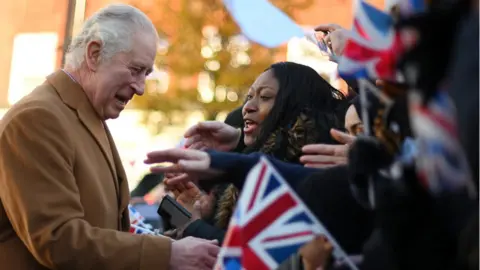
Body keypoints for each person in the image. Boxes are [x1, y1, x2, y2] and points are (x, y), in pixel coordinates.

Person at [0, 4, 218, 270]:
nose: (140, 88)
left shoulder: (83, 115)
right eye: (136, 70)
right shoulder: (38, 119)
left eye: (147, 74)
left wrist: (182, 243)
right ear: (94, 54)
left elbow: (107, 231)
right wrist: (167, 254)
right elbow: (58, 240)